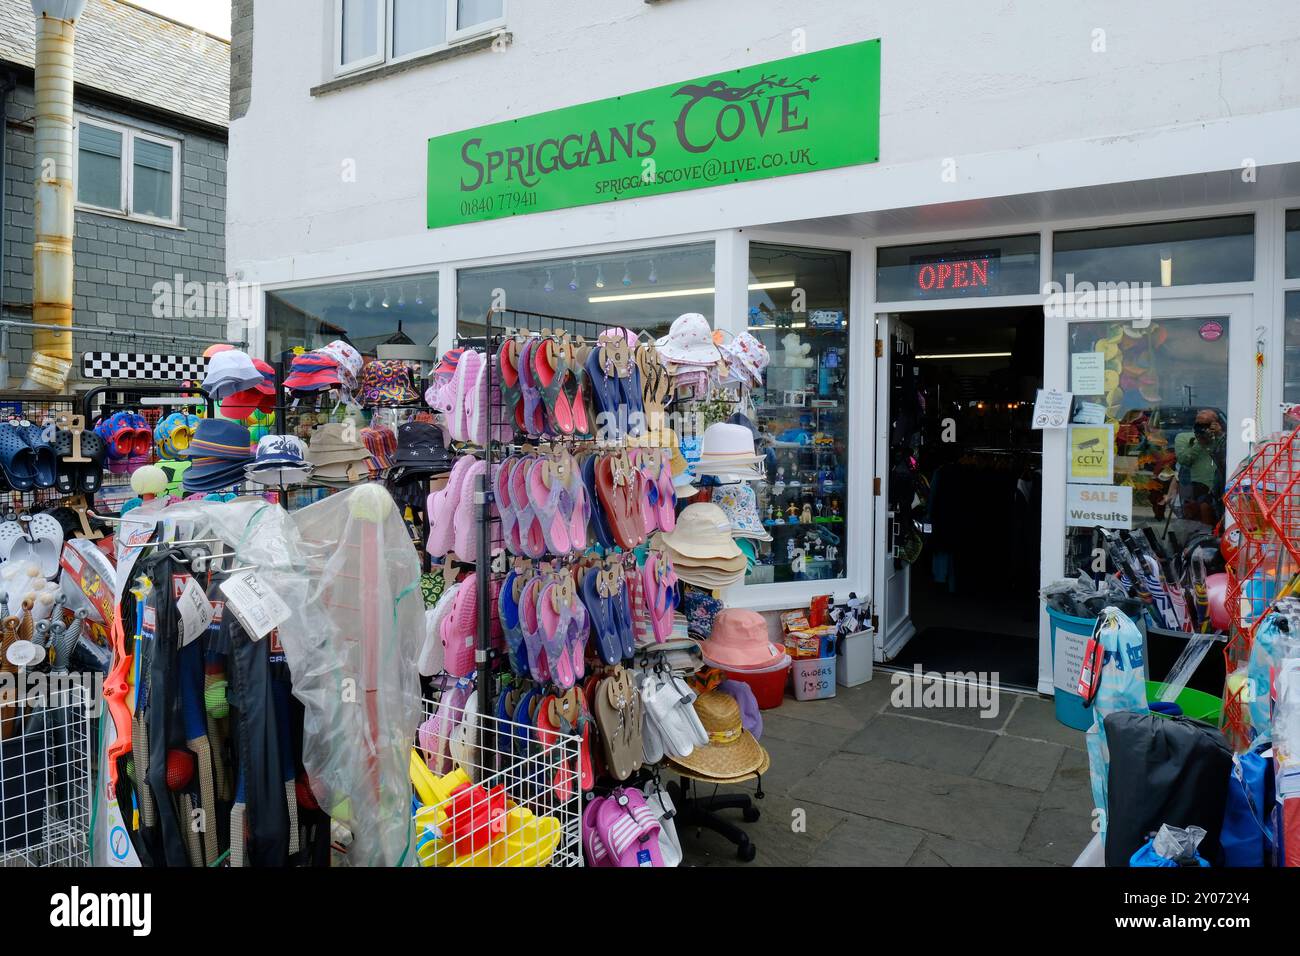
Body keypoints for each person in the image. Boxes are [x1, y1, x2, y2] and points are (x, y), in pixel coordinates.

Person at [1174, 409, 1226, 526]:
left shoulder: (1221, 438)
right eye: (1199, 424)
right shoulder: (1184, 438)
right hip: (1195, 489)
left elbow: (1227, 457)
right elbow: (1184, 460)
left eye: (1207, 424)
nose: (1203, 427)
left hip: (1220, 487)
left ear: (1215, 424)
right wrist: (1199, 443)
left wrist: (1219, 435)